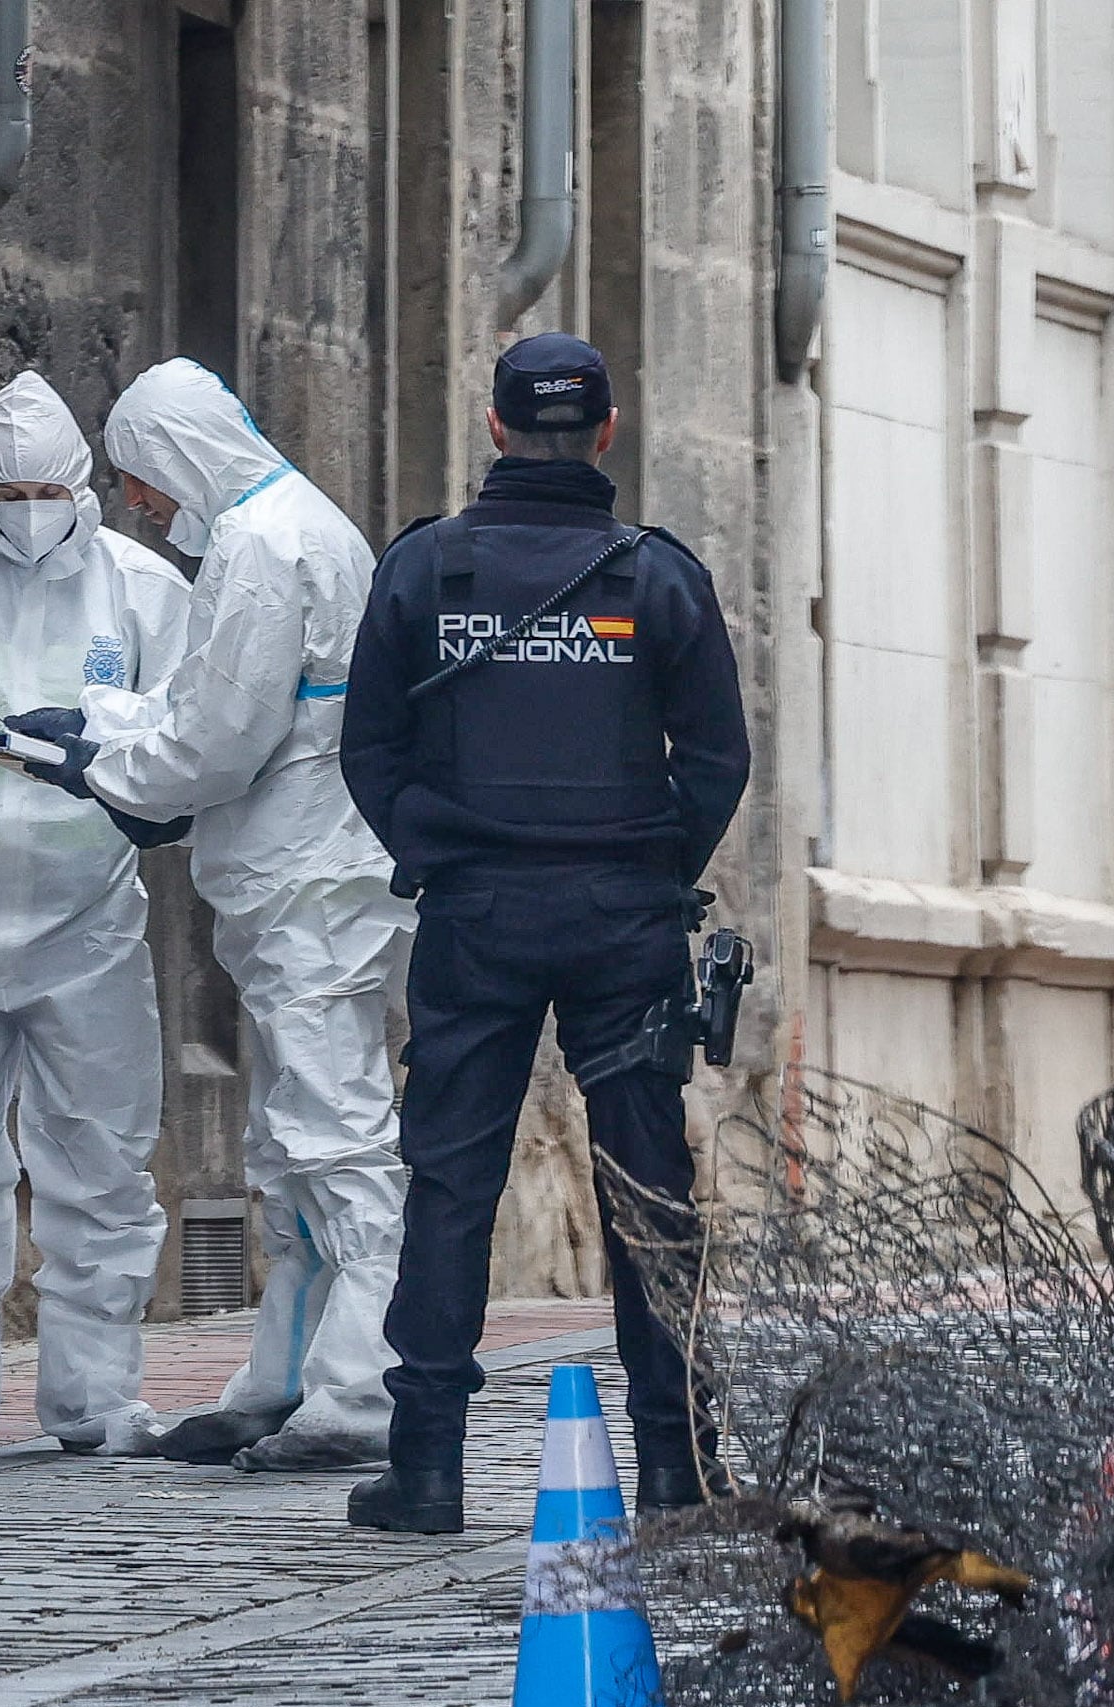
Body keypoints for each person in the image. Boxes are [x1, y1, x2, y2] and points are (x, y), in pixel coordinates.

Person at [331, 334, 752, 1534]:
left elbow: (369, 749)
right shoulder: (657, 578)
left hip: (477, 917)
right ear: (607, 433)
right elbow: (718, 758)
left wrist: (442, 850)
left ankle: (424, 1471)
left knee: (449, 1182)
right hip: (623, 923)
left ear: (494, 427)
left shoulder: (425, 570)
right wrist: (649, 865)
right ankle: (676, 1466)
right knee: (646, 1189)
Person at [0, 359, 404, 1472]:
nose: (136, 503)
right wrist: (94, 721)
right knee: (290, 1141)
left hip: (308, 882)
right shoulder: (283, 528)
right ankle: (284, 1374)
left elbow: (221, 739)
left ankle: (361, 1386)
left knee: (336, 1136)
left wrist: (99, 765)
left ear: (177, 457)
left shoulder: (262, 548)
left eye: (139, 478)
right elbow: (219, 704)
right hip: (301, 877)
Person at [0, 370, 195, 1454]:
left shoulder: (144, 592)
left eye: (43, 491)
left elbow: (191, 730)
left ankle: (94, 1397)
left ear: (81, 489)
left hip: (87, 922)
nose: (26, 511)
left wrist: (100, 747)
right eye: (5, 492)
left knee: (101, 1167)